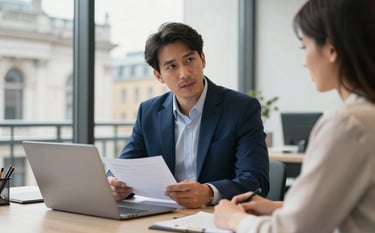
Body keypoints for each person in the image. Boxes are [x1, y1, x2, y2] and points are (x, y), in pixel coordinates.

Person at [214, 0, 375, 232]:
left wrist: (234, 220)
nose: (304, 62)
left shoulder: (349, 124)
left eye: (304, 47)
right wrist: (279, 207)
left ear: (331, 49)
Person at [107, 22, 270, 208]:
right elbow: (122, 167)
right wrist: (113, 183)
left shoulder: (241, 108)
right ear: (158, 75)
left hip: (217, 217)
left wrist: (209, 193)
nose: (184, 74)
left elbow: (256, 181)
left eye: (189, 60)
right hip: (163, 215)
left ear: (203, 59)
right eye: (171, 67)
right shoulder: (149, 112)